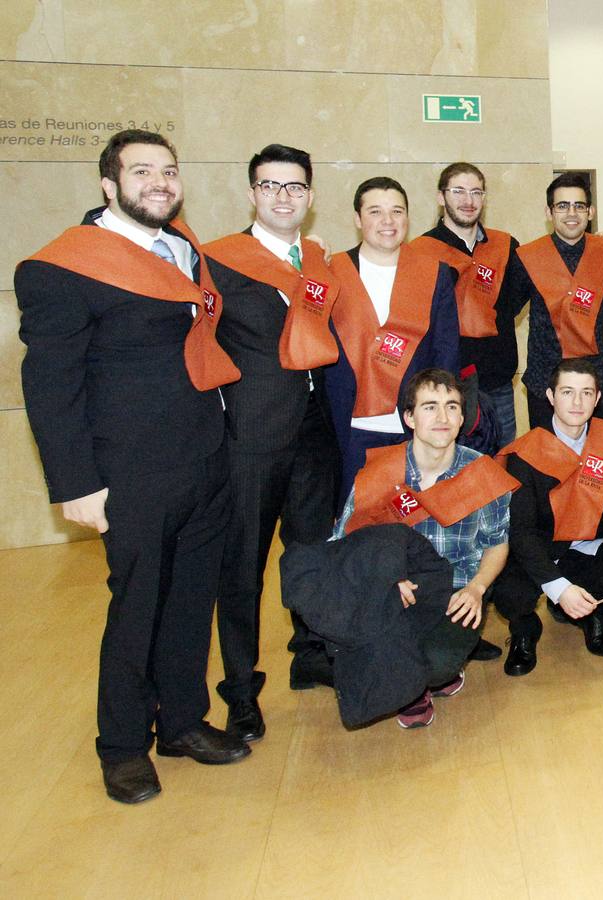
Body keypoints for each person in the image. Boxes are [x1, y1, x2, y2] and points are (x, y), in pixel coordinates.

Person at [17, 129, 247, 803]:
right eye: (142, 171)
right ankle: (120, 744)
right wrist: (76, 484)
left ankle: (180, 721)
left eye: (169, 170)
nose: (160, 182)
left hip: (206, 455)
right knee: (137, 605)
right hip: (131, 472)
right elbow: (50, 386)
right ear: (108, 186)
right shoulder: (60, 267)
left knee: (190, 599)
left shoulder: (182, 246)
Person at [203, 143, 343, 736]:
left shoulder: (318, 259)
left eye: (294, 187)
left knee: (311, 552)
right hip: (252, 433)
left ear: (310, 197)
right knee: (243, 565)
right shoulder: (217, 261)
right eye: (270, 186)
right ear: (252, 192)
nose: (283, 196)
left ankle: (310, 655)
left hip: (316, 429)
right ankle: (239, 688)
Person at [332, 369, 518, 728]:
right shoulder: (380, 471)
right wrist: (384, 579)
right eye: (429, 407)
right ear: (409, 417)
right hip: (394, 589)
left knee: (436, 662)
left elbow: (498, 544)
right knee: (373, 652)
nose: (442, 417)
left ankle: (432, 677)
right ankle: (411, 687)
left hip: (456, 587)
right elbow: (343, 542)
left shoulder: (482, 472)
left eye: (452, 407)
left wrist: (478, 589)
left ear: (463, 418)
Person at [495, 358, 603, 674]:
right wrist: (558, 586)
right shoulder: (526, 452)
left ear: (598, 397)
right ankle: (525, 630)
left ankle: (597, 618)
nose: (577, 402)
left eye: (586, 393)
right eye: (567, 392)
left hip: (590, 541)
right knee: (511, 594)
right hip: (541, 547)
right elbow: (521, 532)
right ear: (550, 396)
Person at [324, 176, 462, 489]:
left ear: (408, 219)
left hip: (414, 427)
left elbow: (446, 351)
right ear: (357, 219)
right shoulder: (332, 271)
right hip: (349, 426)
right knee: (356, 524)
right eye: (375, 212)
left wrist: (438, 417)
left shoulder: (434, 273)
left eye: (397, 212)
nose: (388, 221)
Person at [414, 162, 532, 449]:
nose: (468, 201)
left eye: (477, 192)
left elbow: (516, 299)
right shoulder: (419, 251)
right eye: (459, 191)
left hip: (498, 379)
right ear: (441, 197)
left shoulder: (506, 245)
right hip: (445, 382)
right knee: (450, 465)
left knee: (501, 459)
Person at [516, 172, 603, 426]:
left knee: (595, 460)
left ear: (590, 212)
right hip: (543, 379)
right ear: (549, 212)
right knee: (546, 460)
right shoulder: (528, 257)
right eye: (562, 206)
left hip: (595, 379)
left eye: (579, 206)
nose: (571, 213)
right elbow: (508, 307)